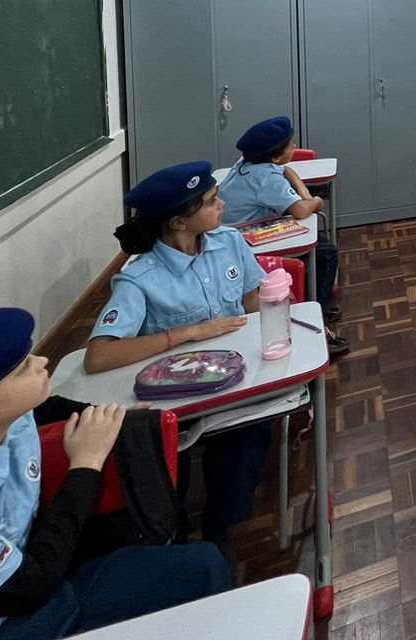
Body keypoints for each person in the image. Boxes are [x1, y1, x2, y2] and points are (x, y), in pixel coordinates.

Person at [0, 309, 231, 640]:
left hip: (20, 566)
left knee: (196, 563)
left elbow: (45, 408)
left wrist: (109, 417)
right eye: (24, 368)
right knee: (201, 570)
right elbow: (23, 592)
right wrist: (85, 466)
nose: (41, 360)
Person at [82, 162, 274, 568]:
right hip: (178, 397)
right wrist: (186, 334)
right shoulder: (140, 278)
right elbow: (99, 356)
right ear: (179, 223)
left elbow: (254, 302)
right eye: (210, 202)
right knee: (160, 447)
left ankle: (222, 525)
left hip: (236, 381)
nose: (222, 204)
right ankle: (172, 531)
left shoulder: (229, 242)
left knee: (250, 428)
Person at [215, 117, 346, 356]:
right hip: (241, 243)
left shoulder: (247, 164)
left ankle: (314, 306)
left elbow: (286, 169)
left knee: (318, 244)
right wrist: (315, 200)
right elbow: (301, 210)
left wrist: (303, 191)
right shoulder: (266, 179)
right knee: (326, 254)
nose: (295, 146)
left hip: (231, 235)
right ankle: (318, 319)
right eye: (291, 144)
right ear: (275, 156)